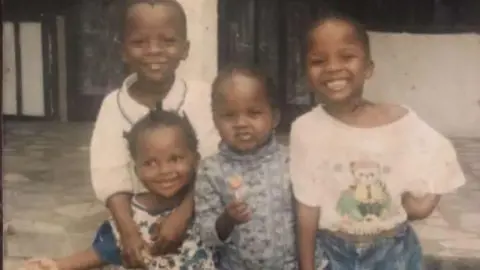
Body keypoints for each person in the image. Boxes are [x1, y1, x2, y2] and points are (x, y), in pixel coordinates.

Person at [290, 12, 466, 270]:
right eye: (318, 60)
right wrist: (307, 267)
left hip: (392, 251)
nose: (332, 67)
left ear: (368, 68)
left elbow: (441, 153)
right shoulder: (304, 130)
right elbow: (306, 208)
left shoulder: (397, 120)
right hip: (332, 252)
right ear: (307, 73)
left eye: (347, 56)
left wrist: (424, 204)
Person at [89, 0, 219, 268]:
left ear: (185, 49)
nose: (154, 51)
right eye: (140, 42)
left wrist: (183, 215)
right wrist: (128, 232)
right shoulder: (113, 105)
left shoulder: (202, 97)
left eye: (168, 41)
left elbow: (214, 163)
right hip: (137, 224)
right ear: (123, 50)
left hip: (200, 216)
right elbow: (110, 175)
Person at [23, 109, 217, 270]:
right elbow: (101, 252)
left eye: (175, 159)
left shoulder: (207, 203)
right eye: (150, 163)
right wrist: (57, 265)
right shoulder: (133, 215)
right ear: (137, 170)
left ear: (196, 160)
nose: (164, 171)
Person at [195, 64, 307, 270]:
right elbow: (206, 234)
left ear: (274, 118)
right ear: (215, 119)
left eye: (253, 113)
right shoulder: (210, 170)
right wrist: (226, 220)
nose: (241, 123)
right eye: (229, 115)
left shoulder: (292, 161)